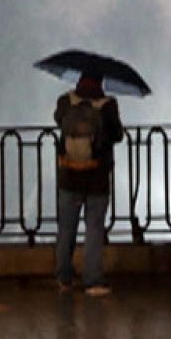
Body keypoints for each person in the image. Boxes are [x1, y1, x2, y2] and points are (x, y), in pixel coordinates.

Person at [53, 73, 124, 296]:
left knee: (66, 228)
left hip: (69, 175)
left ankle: (64, 278)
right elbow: (117, 134)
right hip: (97, 178)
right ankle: (92, 280)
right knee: (93, 229)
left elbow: (58, 120)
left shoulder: (66, 101)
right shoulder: (108, 105)